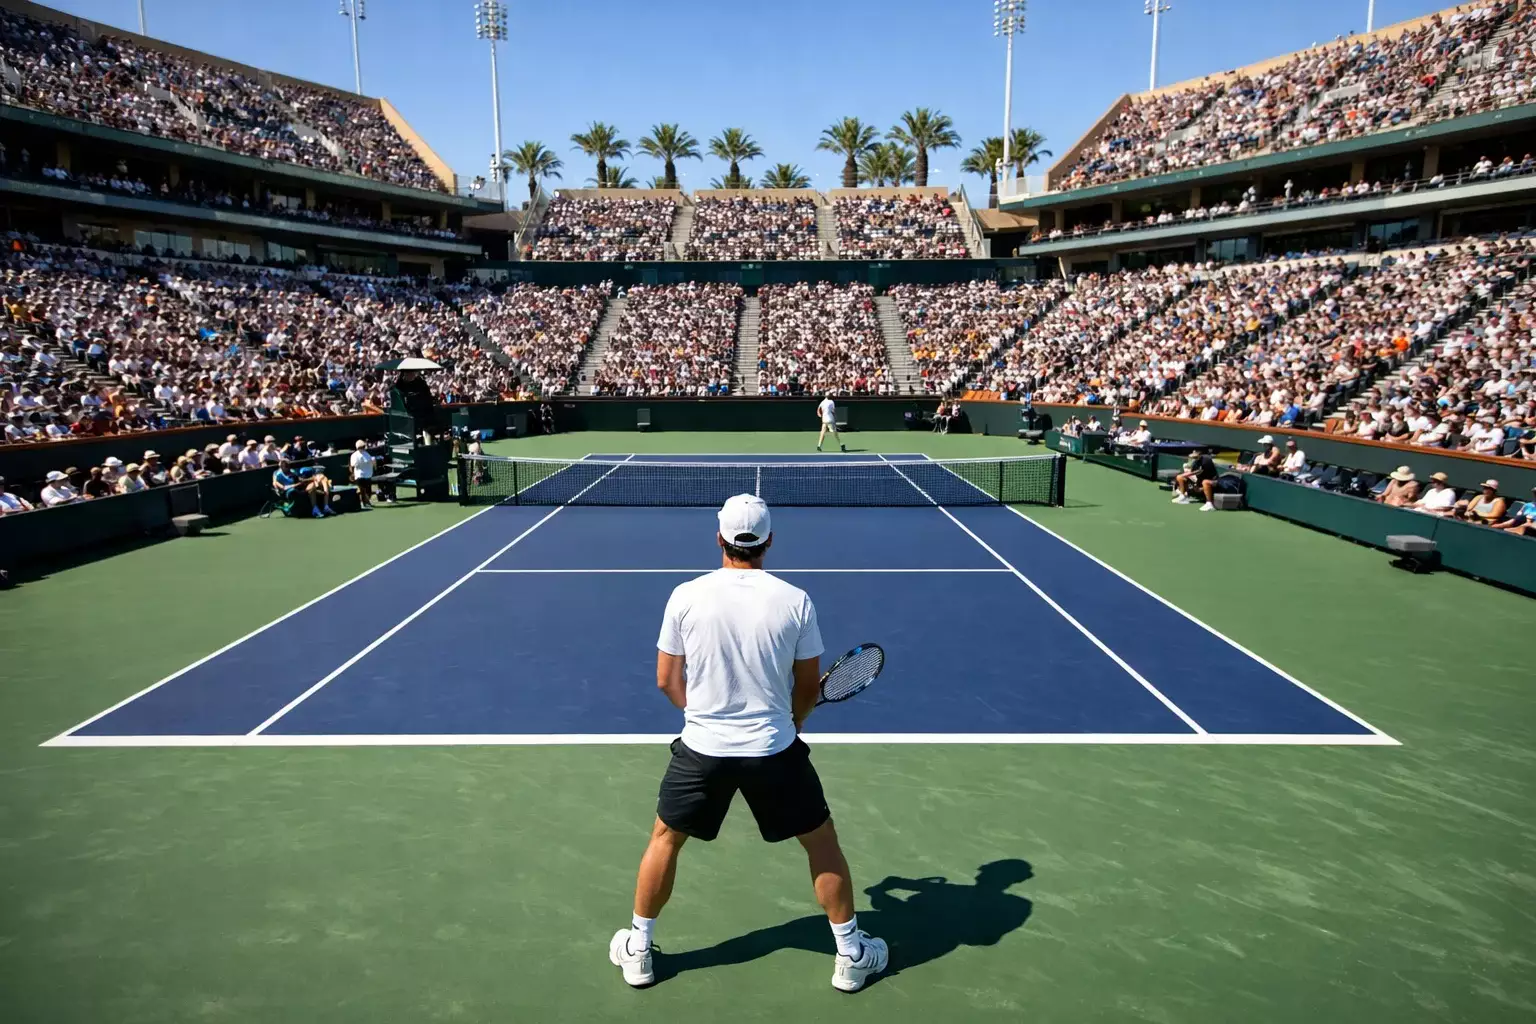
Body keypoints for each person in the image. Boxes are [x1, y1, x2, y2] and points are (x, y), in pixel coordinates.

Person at [609, 494, 887, 993]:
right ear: (769, 542)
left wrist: (701, 716)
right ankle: (850, 955)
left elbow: (666, 680)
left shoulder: (685, 596)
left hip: (701, 750)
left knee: (664, 840)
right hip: (774, 751)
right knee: (821, 843)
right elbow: (807, 689)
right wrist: (795, 719)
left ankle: (638, 949)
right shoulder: (795, 600)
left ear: (718, 538)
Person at [349, 440, 376, 509]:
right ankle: (363, 504)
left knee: (368, 491)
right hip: (359, 475)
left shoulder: (367, 454)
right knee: (362, 490)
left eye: (363, 447)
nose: (362, 448)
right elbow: (352, 465)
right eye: (360, 447)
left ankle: (367, 501)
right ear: (357, 448)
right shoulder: (354, 455)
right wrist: (352, 474)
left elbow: (371, 462)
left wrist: (373, 463)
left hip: (368, 475)